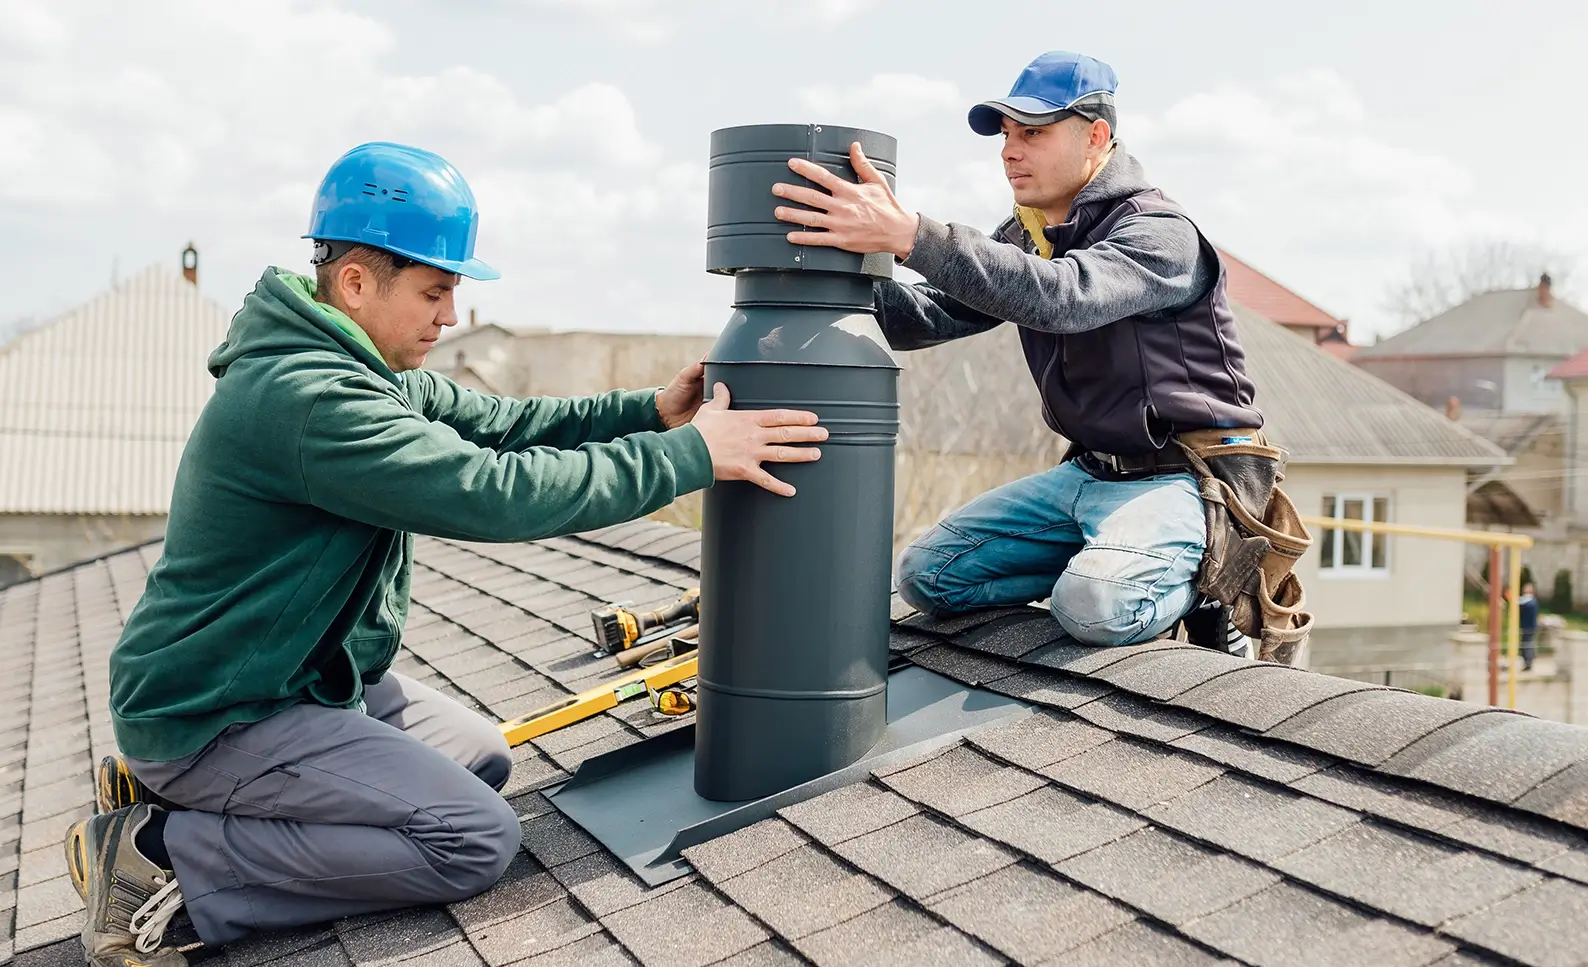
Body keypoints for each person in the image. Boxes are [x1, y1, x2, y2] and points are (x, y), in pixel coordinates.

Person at [64, 141, 829, 966]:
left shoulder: (363, 366)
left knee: (482, 757)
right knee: (471, 839)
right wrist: (693, 458)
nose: (450, 314)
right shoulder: (314, 400)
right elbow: (490, 489)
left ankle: (190, 803)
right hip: (219, 712)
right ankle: (170, 857)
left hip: (297, 681)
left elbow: (502, 426)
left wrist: (650, 412)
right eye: (435, 290)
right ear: (356, 282)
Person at [770, 50, 1266, 650]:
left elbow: (1065, 296)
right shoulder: (1027, 235)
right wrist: (810, 277)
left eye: (1033, 133)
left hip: (1186, 478)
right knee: (927, 578)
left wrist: (912, 235)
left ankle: (1206, 588)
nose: (1010, 151)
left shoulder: (1159, 232)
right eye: (1007, 134)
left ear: (1096, 136)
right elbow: (931, 314)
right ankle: (1111, 563)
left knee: (1097, 609)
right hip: (1090, 471)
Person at [1518, 581, 1540, 671]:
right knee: (1527, 644)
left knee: (1527, 645)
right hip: (1529, 626)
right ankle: (1528, 662)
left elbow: (1519, 603)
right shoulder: (1530, 600)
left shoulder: (1528, 601)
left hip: (1528, 627)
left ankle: (1528, 663)